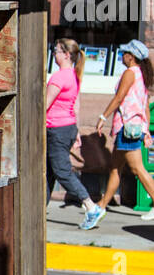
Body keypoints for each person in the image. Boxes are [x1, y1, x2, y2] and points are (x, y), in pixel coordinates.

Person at [84, 38, 154, 229]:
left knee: (137, 169)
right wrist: (145, 129)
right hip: (134, 127)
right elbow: (145, 105)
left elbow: (119, 97)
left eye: (124, 53)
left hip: (127, 128)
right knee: (116, 169)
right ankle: (102, 205)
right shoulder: (141, 74)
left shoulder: (130, 73)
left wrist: (102, 116)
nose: (122, 56)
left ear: (131, 57)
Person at [46, 38, 102, 228]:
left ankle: (91, 206)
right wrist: (76, 130)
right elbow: (75, 106)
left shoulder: (58, 78)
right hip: (67, 127)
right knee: (49, 172)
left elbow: (44, 105)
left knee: (61, 171)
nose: (54, 53)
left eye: (57, 51)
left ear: (66, 55)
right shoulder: (74, 75)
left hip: (56, 129)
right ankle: (38, 210)